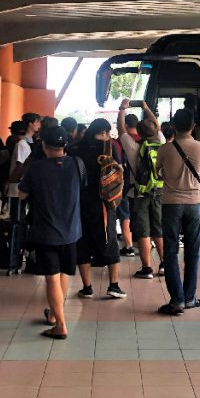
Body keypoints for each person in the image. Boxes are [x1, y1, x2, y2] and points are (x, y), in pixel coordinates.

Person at [17, 127, 83, 339]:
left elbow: (22, 194)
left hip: (46, 231)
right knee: (64, 273)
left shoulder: (36, 168)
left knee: (51, 278)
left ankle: (60, 325)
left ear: (44, 145)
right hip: (72, 230)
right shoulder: (77, 164)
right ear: (65, 145)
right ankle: (55, 315)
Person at [156, 109, 200, 315]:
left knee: (170, 252)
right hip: (195, 203)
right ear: (193, 126)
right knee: (192, 252)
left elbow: (157, 172)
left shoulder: (165, 149)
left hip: (171, 203)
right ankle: (189, 298)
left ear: (174, 126)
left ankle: (176, 300)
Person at [68, 119, 127, 299]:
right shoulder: (107, 148)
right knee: (109, 241)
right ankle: (113, 285)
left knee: (82, 243)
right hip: (103, 202)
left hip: (79, 202)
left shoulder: (75, 148)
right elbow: (119, 172)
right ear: (103, 131)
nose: (108, 136)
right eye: (108, 133)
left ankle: (87, 288)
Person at [117, 99, 165, 278]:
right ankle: (164, 264)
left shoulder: (133, 147)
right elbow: (157, 125)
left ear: (138, 132)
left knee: (143, 231)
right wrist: (146, 107)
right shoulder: (161, 141)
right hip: (160, 192)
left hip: (140, 193)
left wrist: (122, 109)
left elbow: (121, 130)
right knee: (159, 229)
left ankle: (147, 269)